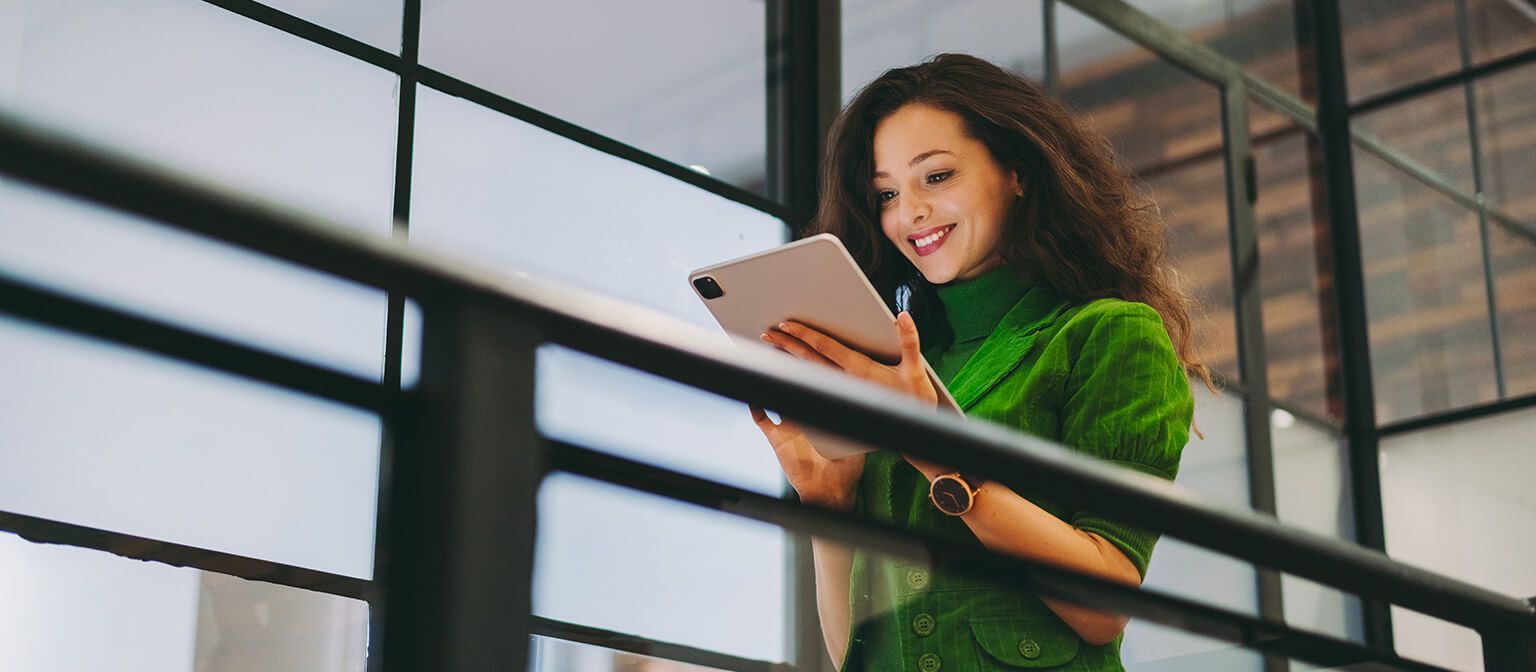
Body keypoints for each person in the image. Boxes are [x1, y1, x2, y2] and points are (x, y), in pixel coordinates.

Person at [749, 53, 1209, 671]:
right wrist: (829, 505)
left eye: (935, 177)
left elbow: (1103, 607)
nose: (907, 212)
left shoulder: (1107, 334)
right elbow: (851, 654)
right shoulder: (898, 364)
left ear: (1017, 172)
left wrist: (939, 452)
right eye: (885, 193)